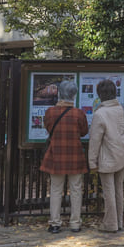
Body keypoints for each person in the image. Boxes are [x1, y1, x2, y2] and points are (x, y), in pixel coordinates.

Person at [40, 79, 89, 234]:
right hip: (75, 156)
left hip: (56, 155)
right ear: (74, 95)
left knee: (55, 190)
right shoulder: (78, 114)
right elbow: (84, 132)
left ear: (60, 93)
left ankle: (55, 223)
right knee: (76, 189)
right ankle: (75, 223)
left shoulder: (50, 112)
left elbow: (48, 128)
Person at [87, 78, 124, 232]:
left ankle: (110, 224)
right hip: (123, 155)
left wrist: (92, 162)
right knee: (118, 190)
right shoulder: (122, 109)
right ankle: (119, 222)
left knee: (109, 192)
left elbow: (95, 141)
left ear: (100, 95)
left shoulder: (100, 114)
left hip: (107, 158)